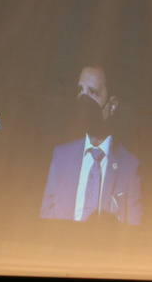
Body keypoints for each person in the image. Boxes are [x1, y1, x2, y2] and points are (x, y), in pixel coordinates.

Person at [41, 65, 143, 225]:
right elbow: (45, 220)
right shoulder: (61, 157)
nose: (84, 98)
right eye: (80, 90)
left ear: (113, 105)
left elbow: (134, 230)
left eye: (92, 92)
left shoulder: (130, 167)